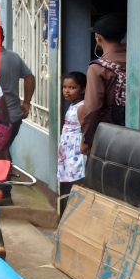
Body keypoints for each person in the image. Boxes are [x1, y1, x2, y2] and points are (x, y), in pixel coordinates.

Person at [80, 13, 127, 155]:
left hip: (109, 133)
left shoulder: (98, 67)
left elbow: (92, 108)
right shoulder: (136, 56)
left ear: (98, 37)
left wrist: (86, 139)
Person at [0, 35, 36, 162]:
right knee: (3, 149)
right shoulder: (14, 57)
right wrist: (26, 103)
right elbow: (29, 77)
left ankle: (4, 180)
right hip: (14, 116)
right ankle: (5, 179)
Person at [58, 71, 88, 212]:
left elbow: (85, 129)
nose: (67, 91)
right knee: (72, 179)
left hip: (76, 150)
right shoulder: (72, 105)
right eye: (65, 87)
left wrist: (83, 145)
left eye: (72, 87)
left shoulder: (81, 107)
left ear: (82, 89)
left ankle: (78, 210)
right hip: (68, 149)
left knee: (78, 180)